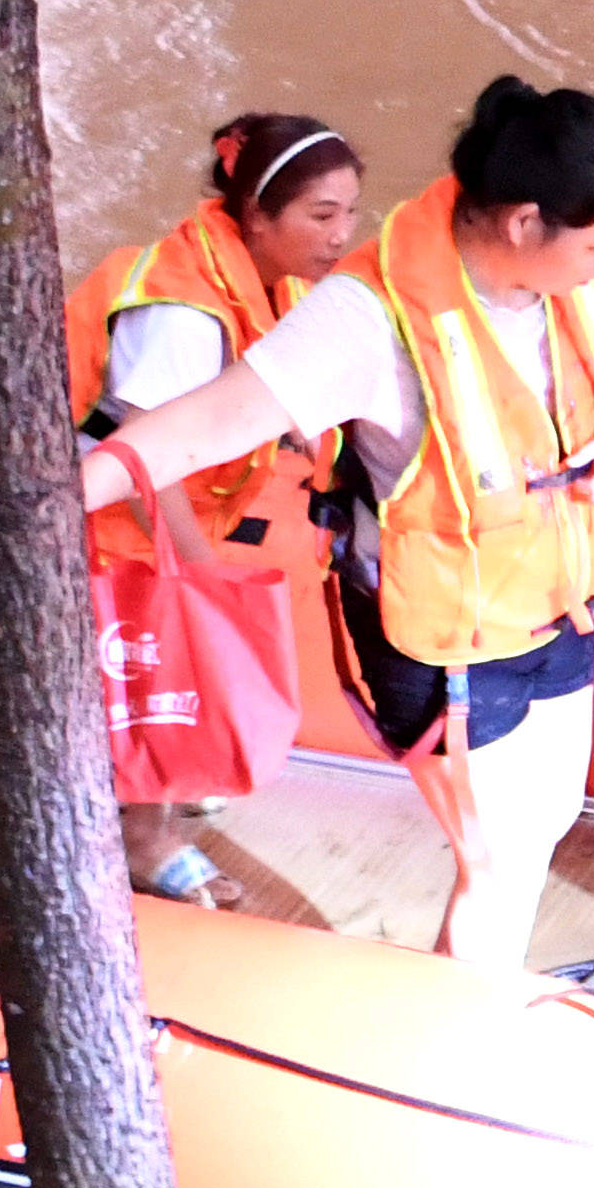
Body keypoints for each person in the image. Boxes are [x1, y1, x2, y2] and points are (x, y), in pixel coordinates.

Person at [78, 79, 594, 965]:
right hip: (446, 637)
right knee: (502, 858)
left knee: (544, 822)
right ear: (524, 224)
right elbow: (204, 424)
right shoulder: (365, 318)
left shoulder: (586, 262)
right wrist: (52, 495)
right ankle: (463, 1041)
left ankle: (466, 1006)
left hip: (561, 603)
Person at [71, 111, 367, 904]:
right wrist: (197, 575)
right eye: (322, 215)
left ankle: (157, 793)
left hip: (172, 501)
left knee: (167, 657)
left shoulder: (274, 281)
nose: (343, 235)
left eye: (351, 214)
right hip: (108, 509)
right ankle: (143, 837)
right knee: (158, 660)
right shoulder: (179, 310)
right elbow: (143, 456)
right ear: (257, 216)